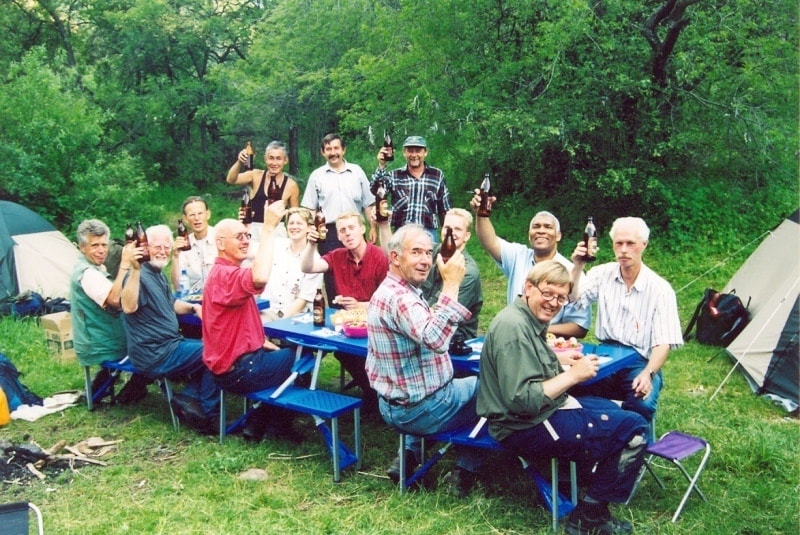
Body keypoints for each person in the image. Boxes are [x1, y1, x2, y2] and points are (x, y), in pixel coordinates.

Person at [477, 261, 648, 535]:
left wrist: (556, 357)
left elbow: (527, 362)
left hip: (537, 414)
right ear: (529, 287)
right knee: (633, 429)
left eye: (560, 297)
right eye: (547, 293)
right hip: (523, 426)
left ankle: (578, 485)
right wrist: (573, 375)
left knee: (617, 411)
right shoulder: (514, 329)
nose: (553, 303)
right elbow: (522, 400)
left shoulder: (524, 318)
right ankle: (589, 515)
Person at [366, 224, 482, 498]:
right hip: (424, 409)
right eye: (416, 252)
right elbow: (437, 339)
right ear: (395, 257)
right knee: (493, 391)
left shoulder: (386, 292)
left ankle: (408, 457)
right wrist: (451, 283)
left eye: (429, 253)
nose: (426, 261)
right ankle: (466, 470)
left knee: (453, 385)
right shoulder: (402, 298)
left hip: (391, 405)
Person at [201, 202, 300, 442]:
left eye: (247, 236)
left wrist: (259, 340)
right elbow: (259, 276)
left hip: (229, 367)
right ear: (221, 243)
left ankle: (258, 421)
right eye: (239, 237)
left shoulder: (222, 273)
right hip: (241, 371)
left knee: (285, 350)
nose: (245, 241)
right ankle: (273, 424)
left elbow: (233, 323)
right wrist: (267, 229)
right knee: (301, 358)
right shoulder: (226, 275)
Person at [568, 217, 683, 422]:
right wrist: (577, 266)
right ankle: (590, 441)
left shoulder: (660, 289)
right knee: (571, 388)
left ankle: (633, 445)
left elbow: (663, 343)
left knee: (641, 402)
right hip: (605, 354)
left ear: (644, 245)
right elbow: (573, 299)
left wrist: (648, 374)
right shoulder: (602, 274)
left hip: (639, 360)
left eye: (630, 243)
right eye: (618, 243)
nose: (623, 250)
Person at [120, 224, 220, 433]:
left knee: (208, 348)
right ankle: (209, 417)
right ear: (145, 247)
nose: (163, 251)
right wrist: (134, 270)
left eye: (167, 246)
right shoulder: (137, 275)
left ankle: (188, 398)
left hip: (169, 345)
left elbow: (171, 303)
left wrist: (194, 306)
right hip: (154, 353)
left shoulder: (157, 273)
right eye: (157, 246)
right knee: (216, 353)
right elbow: (128, 306)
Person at [301, 211, 388, 413]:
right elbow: (307, 267)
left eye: (351, 228)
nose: (348, 234)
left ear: (363, 229)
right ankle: (371, 391)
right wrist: (312, 244)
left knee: (363, 351)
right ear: (338, 236)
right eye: (342, 231)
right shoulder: (337, 256)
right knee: (341, 351)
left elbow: (389, 302)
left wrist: (361, 305)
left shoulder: (379, 257)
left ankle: (377, 393)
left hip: (378, 322)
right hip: (350, 325)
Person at [469, 199, 590, 339]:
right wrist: (481, 214)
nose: (541, 231)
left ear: (558, 236)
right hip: (512, 337)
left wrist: (537, 329)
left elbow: (580, 327)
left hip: (551, 344)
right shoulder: (517, 256)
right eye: (536, 226)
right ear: (529, 234)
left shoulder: (572, 271)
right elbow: (489, 241)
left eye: (548, 227)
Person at [70, 219, 150, 404]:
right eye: (94, 245)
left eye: (104, 245)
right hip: (100, 344)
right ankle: (135, 387)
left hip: (102, 336)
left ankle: (104, 384)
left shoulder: (96, 267)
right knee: (155, 348)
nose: (101, 250)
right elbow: (115, 301)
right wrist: (124, 265)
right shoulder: (87, 273)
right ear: (82, 248)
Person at [379, 208, 482, 340]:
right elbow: (396, 253)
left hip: (454, 339)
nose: (451, 233)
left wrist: (403, 312)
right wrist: (383, 226)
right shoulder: (430, 252)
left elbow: (443, 315)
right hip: (419, 324)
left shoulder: (467, 273)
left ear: (467, 236)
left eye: (457, 229)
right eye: (447, 228)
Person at [301, 133, 375, 255]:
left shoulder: (357, 172)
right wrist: (311, 231)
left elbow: (368, 203)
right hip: (328, 233)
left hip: (355, 230)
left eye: (336, 148)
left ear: (343, 150)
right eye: (328, 149)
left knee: (358, 267)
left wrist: (372, 228)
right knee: (331, 270)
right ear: (323, 152)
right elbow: (310, 209)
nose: (333, 153)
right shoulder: (316, 176)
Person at [371, 135, 452, 241]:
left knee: (430, 257)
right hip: (401, 232)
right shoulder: (395, 175)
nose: (414, 155)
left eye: (418, 151)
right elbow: (375, 190)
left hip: (428, 232)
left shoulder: (437, 175)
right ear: (404, 152)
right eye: (410, 151)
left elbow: (445, 208)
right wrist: (382, 165)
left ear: (425, 152)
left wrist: (448, 232)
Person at [227, 140, 301, 241]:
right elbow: (231, 179)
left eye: (278, 159)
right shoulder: (255, 176)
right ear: (265, 159)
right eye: (271, 158)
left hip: (277, 232)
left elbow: (295, 215)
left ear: (285, 160)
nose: (274, 163)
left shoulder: (291, 185)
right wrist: (239, 162)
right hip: (254, 230)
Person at [260, 207, 323, 321]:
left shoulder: (315, 260)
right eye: (291, 223)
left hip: (296, 315)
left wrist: (280, 324)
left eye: (299, 223)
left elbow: (302, 300)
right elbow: (248, 250)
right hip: (268, 310)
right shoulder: (275, 245)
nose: (294, 227)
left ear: (309, 227)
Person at [170, 196, 217, 294]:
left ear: (208, 214)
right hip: (194, 300)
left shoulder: (221, 237)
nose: (197, 218)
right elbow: (177, 287)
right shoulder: (184, 244)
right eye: (192, 215)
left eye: (200, 213)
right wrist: (175, 257)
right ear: (185, 219)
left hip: (220, 297)